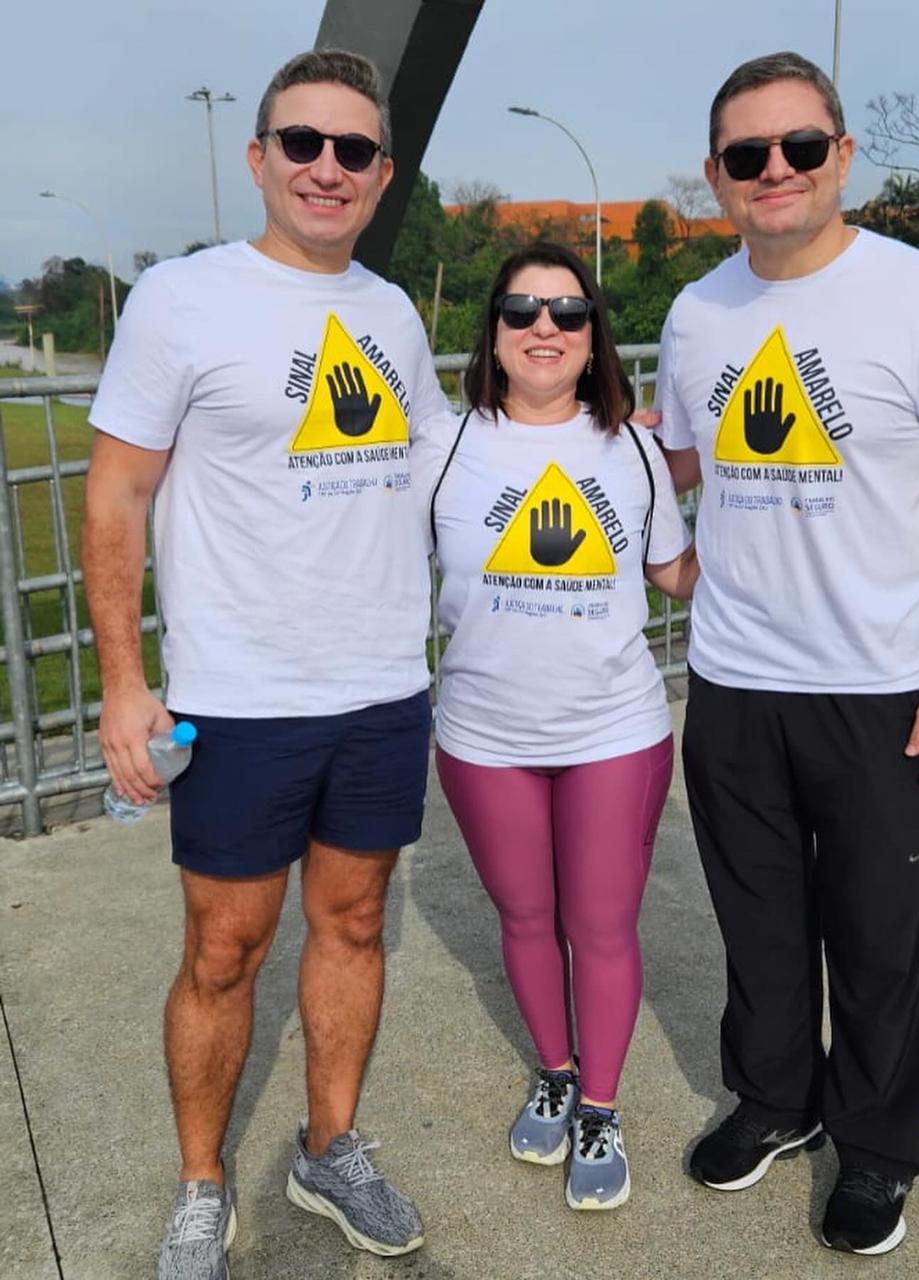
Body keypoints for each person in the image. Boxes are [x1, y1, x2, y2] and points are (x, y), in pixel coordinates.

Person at [82, 48, 452, 1276]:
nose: (327, 168)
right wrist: (125, 683)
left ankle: (329, 1144)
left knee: (353, 925)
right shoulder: (183, 301)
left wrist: (625, 446)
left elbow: (446, 466)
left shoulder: (390, 313)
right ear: (259, 158)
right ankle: (202, 1184)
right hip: (239, 700)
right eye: (303, 143)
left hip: (382, 689)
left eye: (354, 150)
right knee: (224, 949)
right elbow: (117, 496)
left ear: (382, 174)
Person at [654, 51, 919, 1255]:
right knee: (756, 922)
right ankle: (775, 1099)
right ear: (717, 177)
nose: (775, 171)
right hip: (735, 678)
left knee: (878, 931)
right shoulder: (698, 313)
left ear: (841, 158)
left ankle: (875, 1146)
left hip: (879, 683)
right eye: (748, 155)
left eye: (798, 147)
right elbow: (680, 468)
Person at [415, 241, 698, 1211]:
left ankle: (601, 1107)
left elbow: (677, 572)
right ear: (491, 333)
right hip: (483, 734)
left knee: (601, 921)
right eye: (523, 310)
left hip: (612, 729)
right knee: (526, 915)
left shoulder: (636, 452)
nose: (545, 327)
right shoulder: (441, 448)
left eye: (568, 313)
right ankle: (555, 1066)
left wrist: (808, 543)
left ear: (593, 339)